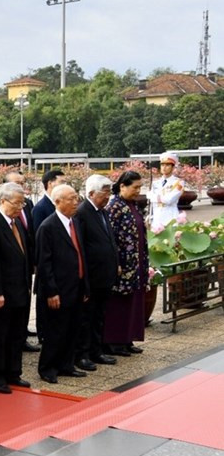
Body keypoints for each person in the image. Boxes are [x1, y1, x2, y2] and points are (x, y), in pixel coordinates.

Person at [35, 185, 90, 384]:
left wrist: (85, 286)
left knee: (72, 329)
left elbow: (80, 254)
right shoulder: (48, 227)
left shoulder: (75, 222)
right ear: (58, 202)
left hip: (76, 286)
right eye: (71, 199)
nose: (76, 202)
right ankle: (47, 368)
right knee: (55, 331)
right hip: (58, 289)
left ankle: (66, 364)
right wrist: (51, 292)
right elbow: (44, 263)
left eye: (76, 198)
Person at [0, 183, 33, 393]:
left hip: (20, 290)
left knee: (16, 335)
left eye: (23, 203)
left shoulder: (17, 223)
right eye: (17, 203)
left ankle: (14, 372)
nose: (21, 207)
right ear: (3, 201)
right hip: (3, 293)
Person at [74, 175, 119, 369]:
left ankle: (97, 350)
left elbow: (109, 240)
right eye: (105, 192)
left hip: (105, 274)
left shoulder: (103, 212)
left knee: (99, 315)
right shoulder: (82, 213)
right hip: (91, 276)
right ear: (91, 193)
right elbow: (81, 247)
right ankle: (83, 354)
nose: (108, 196)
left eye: (109, 192)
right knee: (86, 318)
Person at [104, 171, 149, 357]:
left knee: (133, 301)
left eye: (140, 187)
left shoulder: (134, 205)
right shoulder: (114, 207)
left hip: (136, 261)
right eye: (135, 187)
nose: (138, 191)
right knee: (119, 303)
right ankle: (115, 341)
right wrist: (117, 262)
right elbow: (110, 238)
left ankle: (128, 338)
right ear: (122, 186)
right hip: (123, 263)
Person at [150, 152, 184, 228]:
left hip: (171, 218)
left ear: (173, 167)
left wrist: (155, 197)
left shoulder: (178, 183)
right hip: (156, 219)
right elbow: (150, 199)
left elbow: (169, 200)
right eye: (162, 165)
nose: (164, 167)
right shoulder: (155, 183)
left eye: (167, 165)